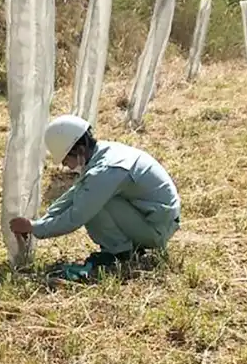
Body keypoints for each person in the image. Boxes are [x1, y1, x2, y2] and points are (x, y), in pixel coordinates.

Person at [9, 114, 181, 281]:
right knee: (89, 197)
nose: (65, 166)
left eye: (65, 160)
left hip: (158, 229)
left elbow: (77, 216)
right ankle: (127, 246)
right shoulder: (103, 153)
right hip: (151, 218)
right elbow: (76, 193)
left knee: (95, 206)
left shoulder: (106, 171)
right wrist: (44, 218)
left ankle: (121, 254)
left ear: (80, 149)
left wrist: (35, 228)